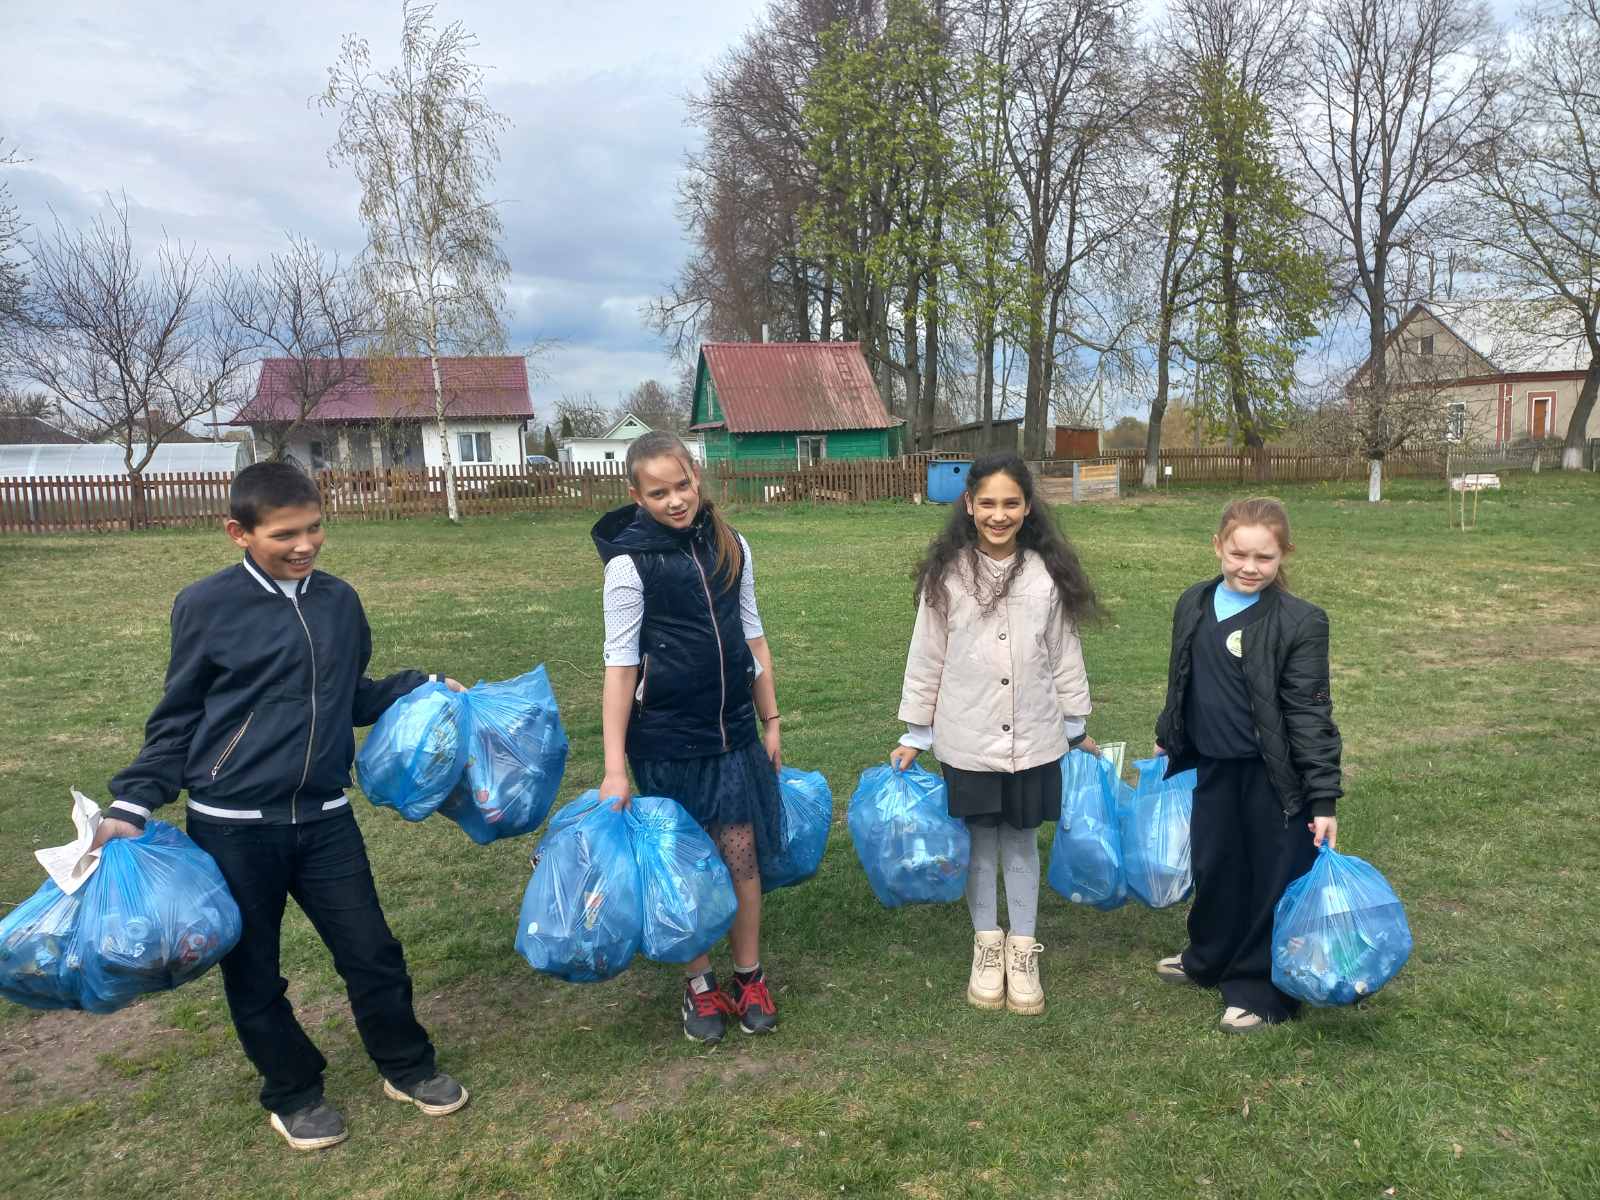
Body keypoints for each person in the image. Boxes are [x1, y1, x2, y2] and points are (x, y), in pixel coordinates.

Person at [92, 461, 469, 1151]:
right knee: (255, 971)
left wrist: (417, 686)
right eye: (285, 534)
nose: (306, 545)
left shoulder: (339, 601)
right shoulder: (206, 606)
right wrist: (133, 800)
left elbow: (347, 695)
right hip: (233, 830)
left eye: (316, 527)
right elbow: (178, 716)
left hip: (326, 819)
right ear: (239, 532)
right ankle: (293, 1092)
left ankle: (407, 1065)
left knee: (372, 952)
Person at [590, 431, 783, 1044]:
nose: (675, 501)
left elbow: (753, 638)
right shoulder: (629, 565)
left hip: (732, 738)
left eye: (682, 486)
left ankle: (748, 975)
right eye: (658, 493)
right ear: (636, 496)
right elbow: (620, 667)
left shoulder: (733, 545)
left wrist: (771, 720)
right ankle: (699, 984)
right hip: (668, 745)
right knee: (685, 868)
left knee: (741, 857)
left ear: (696, 477)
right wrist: (615, 766)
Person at [892, 454, 1101, 1016]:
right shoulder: (948, 577)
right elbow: (927, 655)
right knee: (982, 844)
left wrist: (1075, 722)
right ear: (968, 506)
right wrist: (916, 730)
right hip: (968, 737)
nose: (999, 514)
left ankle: (1022, 949)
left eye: (1011, 503)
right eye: (987, 503)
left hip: (1035, 737)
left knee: (1021, 840)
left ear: (1027, 508)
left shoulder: (1044, 575)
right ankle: (987, 944)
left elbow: (1063, 653)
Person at [1152, 496, 1343, 1032]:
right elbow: (1183, 678)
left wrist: (1321, 797)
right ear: (1218, 546)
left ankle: (1261, 988)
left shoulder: (1300, 621)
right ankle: (1208, 957)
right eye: (1238, 554)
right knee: (1215, 867)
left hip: (1274, 779)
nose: (1249, 568)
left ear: (1285, 555)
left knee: (1270, 880)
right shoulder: (1193, 601)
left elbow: (1310, 712)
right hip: (1214, 767)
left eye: (1265, 559)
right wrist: (1172, 734)